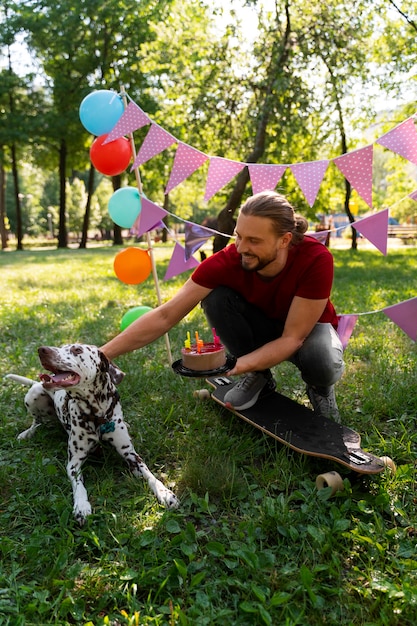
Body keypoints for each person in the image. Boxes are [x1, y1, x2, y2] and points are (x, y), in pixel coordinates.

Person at [100, 191, 345, 421]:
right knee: (215, 297)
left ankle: (320, 389)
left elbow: (292, 338)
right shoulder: (228, 260)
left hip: (307, 331)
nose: (241, 248)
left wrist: (234, 366)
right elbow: (165, 315)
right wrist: (101, 355)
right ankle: (258, 377)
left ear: (284, 240)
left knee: (321, 360)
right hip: (262, 326)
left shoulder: (316, 259)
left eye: (254, 241)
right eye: (239, 236)